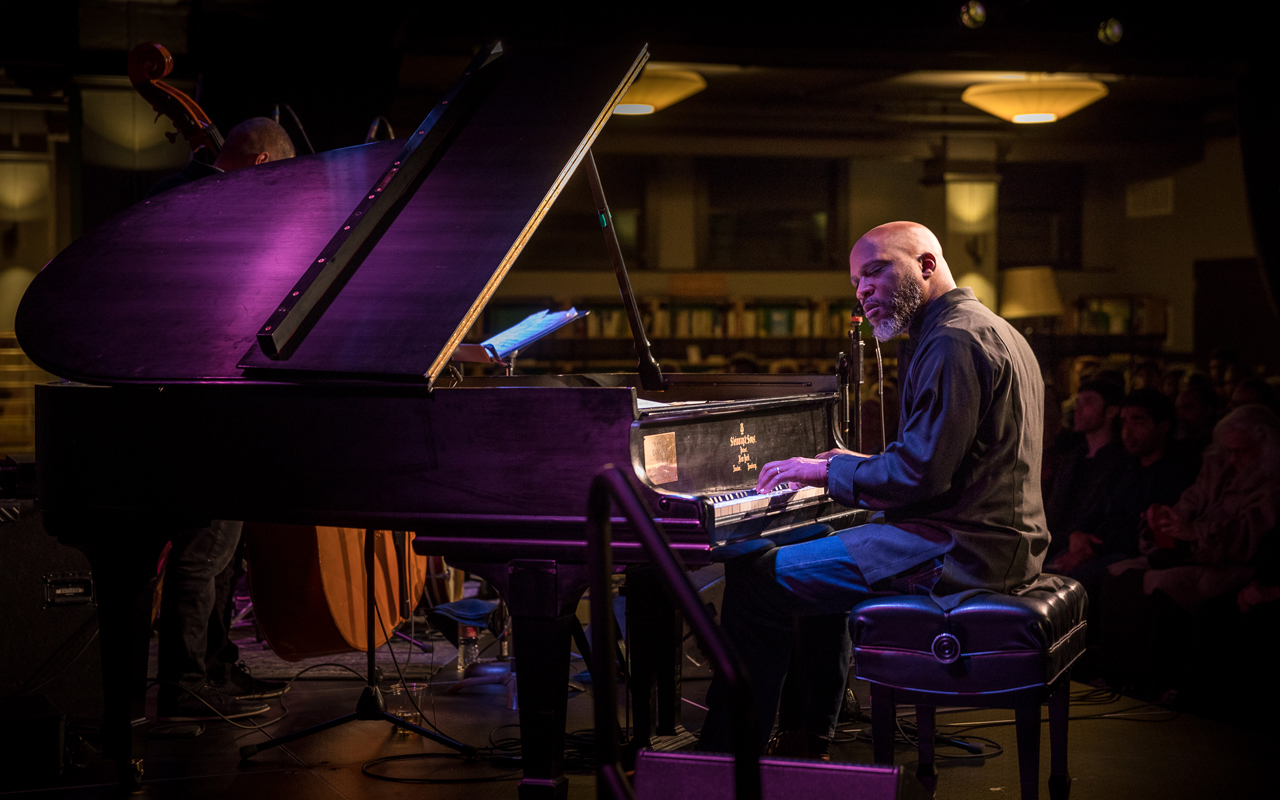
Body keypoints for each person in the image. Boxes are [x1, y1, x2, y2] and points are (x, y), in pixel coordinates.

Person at [696, 221, 1048, 755]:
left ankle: (724, 760)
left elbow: (919, 477)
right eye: (856, 282)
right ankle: (808, 733)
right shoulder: (987, 328)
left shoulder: (952, 341)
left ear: (926, 266)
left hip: (959, 551)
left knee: (755, 580)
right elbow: (955, 458)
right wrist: (859, 462)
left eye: (875, 271)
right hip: (993, 537)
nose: (861, 292)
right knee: (800, 553)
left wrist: (824, 472)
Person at [154, 117, 296, 721]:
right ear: (264, 165)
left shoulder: (186, 193)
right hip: (201, 404)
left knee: (222, 552)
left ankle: (213, 669)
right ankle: (186, 687)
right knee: (204, 551)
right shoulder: (202, 202)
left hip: (207, 400)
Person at [1043, 378, 1128, 561]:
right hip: (1055, 543)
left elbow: (1100, 516)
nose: (1078, 410)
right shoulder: (1074, 457)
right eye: (1078, 402)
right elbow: (1054, 508)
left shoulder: (1119, 461)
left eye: (1088, 402)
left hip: (1085, 549)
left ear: (1111, 411)